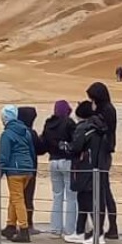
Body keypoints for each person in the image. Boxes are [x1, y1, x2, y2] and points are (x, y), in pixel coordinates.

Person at [64, 101, 109, 244]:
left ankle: (98, 234)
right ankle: (81, 231)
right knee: (85, 200)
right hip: (97, 166)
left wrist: (65, 146)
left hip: (84, 168)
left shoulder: (84, 127)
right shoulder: (99, 126)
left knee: (88, 201)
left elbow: (75, 147)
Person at [0, 106, 36, 242]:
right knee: (15, 197)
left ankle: (24, 229)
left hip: (15, 170)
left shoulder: (7, 134)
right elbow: (31, 150)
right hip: (27, 169)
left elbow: (3, 155)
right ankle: (10, 225)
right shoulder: (26, 131)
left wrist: (0, 172)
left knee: (18, 199)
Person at [86, 82, 120, 239]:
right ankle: (109, 227)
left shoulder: (106, 110)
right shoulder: (106, 108)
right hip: (102, 152)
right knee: (104, 191)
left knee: (103, 191)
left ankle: (107, 227)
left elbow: (103, 129)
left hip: (103, 153)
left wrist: (91, 116)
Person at [40, 100, 77, 236]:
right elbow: (75, 142)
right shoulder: (69, 123)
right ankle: (70, 229)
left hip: (53, 160)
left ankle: (56, 228)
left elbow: (43, 143)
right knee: (71, 197)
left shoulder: (48, 124)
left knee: (57, 196)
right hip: (67, 161)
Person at [18, 106, 41, 224]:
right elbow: (40, 149)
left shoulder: (13, 131)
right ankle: (28, 223)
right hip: (30, 169)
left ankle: (14, 223)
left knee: (17, 197)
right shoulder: (31, 133)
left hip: (14, 169)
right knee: (28, 196)